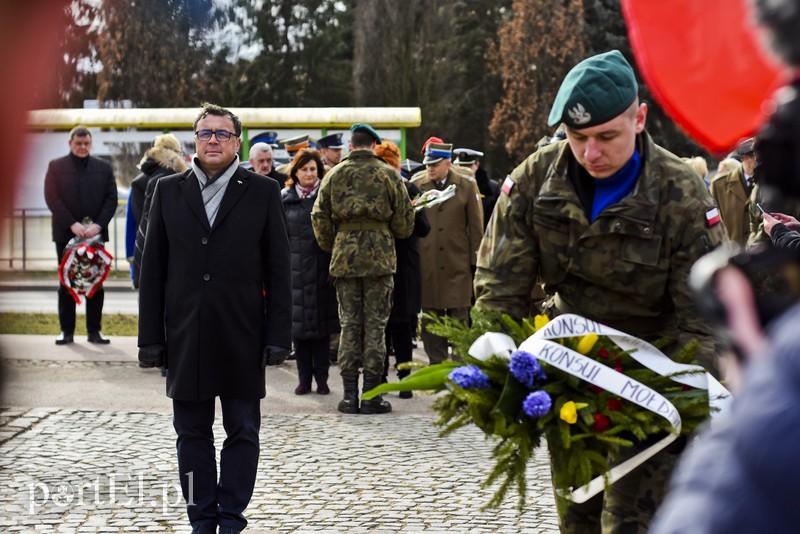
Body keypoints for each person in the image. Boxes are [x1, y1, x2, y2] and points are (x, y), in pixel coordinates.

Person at [473, 50, 725, 532]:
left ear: (640, 118)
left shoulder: (681, 194)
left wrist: (682, 394)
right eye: (577, 137)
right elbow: (499, 285)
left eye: (607, 136)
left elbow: (708, 321)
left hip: (659, 379)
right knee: (578, 518)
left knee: (632, 521)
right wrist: (496, 344)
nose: (590, 153)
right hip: (573, 369)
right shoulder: (534, 179)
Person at [137, 103, 291, 534]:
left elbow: (280, 269)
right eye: (206, 133)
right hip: (184, 335)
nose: (213, 141)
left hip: (242, 333)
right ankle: (201, 518)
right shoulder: (167, 190)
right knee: (190, 434)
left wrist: (279, 334)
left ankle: (230, 517)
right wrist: (150, 338)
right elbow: (152, 271)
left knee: (241, 431)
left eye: (223, 134)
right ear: (194, 140)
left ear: (237, 142)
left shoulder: (261, 191)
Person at [311, 123, 414, 415]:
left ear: (351, 146)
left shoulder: (334, 174)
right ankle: (371, 396)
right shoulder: (389, 174)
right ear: (373, 145)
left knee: (349, 326)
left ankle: (348, 397)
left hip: (344, 258)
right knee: (376, 327)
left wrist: (336, 245)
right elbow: (406, 224)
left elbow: (318, 217)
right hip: (380, 258)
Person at [410, 140, 484, 365]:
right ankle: (437, 365)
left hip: (457, 261)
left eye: (435, 164)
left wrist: (476, 263)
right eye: (427, 164)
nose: (430, 168)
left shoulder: (466, 184)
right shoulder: (416, 184)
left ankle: (460, 366)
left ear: (448, 163)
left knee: (459, 316)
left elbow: (476, 226)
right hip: (427, 262)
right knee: (431, 317)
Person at [44, 125, 118, 346]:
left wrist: (97, 226)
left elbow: (111, 199)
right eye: (79, 143)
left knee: (95, 282)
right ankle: (66, 332)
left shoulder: (104, 168)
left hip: (95, 237)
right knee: (66, 282)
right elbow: (52, 198)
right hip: (65, 235)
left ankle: (94, 331)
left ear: (91, 143)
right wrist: (72, 224)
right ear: (70, 144)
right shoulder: (56, 167)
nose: (83, 147)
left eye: (87, 143)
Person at [374, 140, 430, 397]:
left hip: (404, 264)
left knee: (403, 324)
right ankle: (382, 375)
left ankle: (405, 377)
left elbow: (424, 229)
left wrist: (412, 208)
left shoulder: (410, 188)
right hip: (381, 263)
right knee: (381, 324)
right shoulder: (374, 191)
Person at [281, 147, 339, 395]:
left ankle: (322, 379)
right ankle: (304, 379)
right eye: (304, 169)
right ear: (295, 171)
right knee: (300, 333)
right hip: (294, 272)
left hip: (321, 269)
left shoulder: (327, 197)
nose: (308, 173)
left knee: (322, 332)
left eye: (313, 169)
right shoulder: (284, 198)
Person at [129, 133, 188, 289]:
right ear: (177, 152)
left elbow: (138, 220)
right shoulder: (179, 176)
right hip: (174, 247)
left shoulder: (140, 181)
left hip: (149, 246)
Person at [710, 137, 756, 244]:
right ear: (745, 158)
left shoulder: (768, 181)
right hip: (732, 251)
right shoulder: (719, 185)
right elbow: (713, 222)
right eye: (754, 156)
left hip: (761, 252)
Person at [454, 147, 501, 229]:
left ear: (477, 165)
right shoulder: (450, 188)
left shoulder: (492, 189)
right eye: (460, 166)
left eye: (468, 166)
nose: (464, 170)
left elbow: (499, 217)